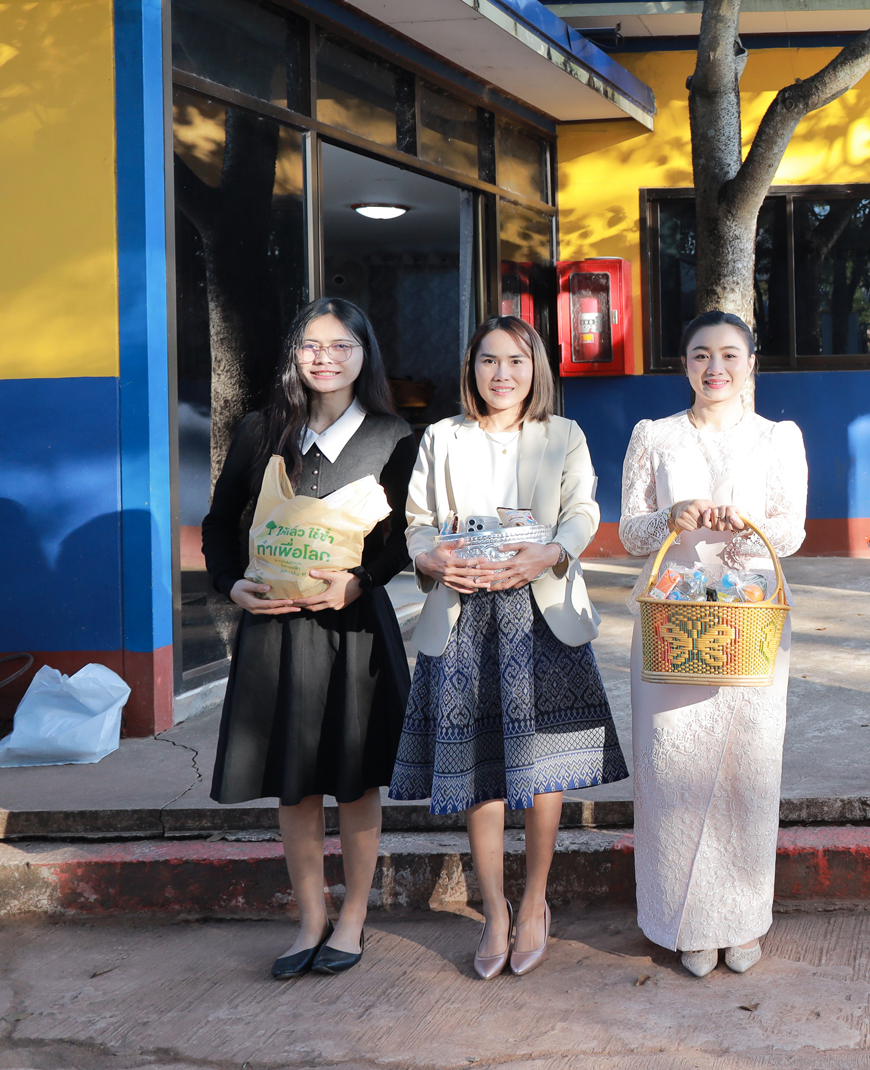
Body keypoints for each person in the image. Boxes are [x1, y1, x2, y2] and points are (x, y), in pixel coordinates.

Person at [390, 315, 625, 980]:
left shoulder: (563, 434)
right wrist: (433, 559)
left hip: (541, 612)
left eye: (517, 361)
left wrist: (551, 551)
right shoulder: (442, 437)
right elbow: (416, 524)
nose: (502, 373)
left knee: (543, 769)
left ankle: (533, 901)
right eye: (489, 360)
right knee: (477, 769)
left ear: (536, 369)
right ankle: (494, 909)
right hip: (465, 613)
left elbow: (583, 510)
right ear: (472, 369)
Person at [202, 298, 419, 980]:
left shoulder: (393, 436)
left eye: (341, 345)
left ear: (364, 353)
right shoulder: (261, 430)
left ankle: (352, 917)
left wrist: (360, 582)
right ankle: (309, 918)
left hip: (353, 632)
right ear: (294, 355)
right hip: (275, 632)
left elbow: (407, 537)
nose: (325, 358)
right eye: (311, 345)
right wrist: (230, 583)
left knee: (354, 781)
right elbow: (219, 522)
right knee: (293, 786)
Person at [618, 311, 809, 977]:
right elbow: (631, 532)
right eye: (701, 354)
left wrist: (747, 522)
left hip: (751, 618)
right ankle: (687, 923)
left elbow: (792, 531)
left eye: (730, 354)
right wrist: (670, 516)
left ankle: (743, 920)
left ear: (751, 363)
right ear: (685, 364)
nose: (715, 367)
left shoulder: (779, 437)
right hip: (673, 619)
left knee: (746, 768)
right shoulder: (654, 436)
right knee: (671, 768)